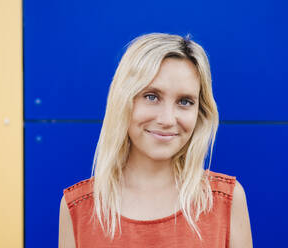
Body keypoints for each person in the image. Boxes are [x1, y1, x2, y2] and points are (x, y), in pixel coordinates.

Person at [59, 32, 252, 248]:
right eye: (151, 96)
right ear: (123, 100)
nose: (168, 119)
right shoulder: (78, 207)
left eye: (185, 101)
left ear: (200, 111)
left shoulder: (227, 200)